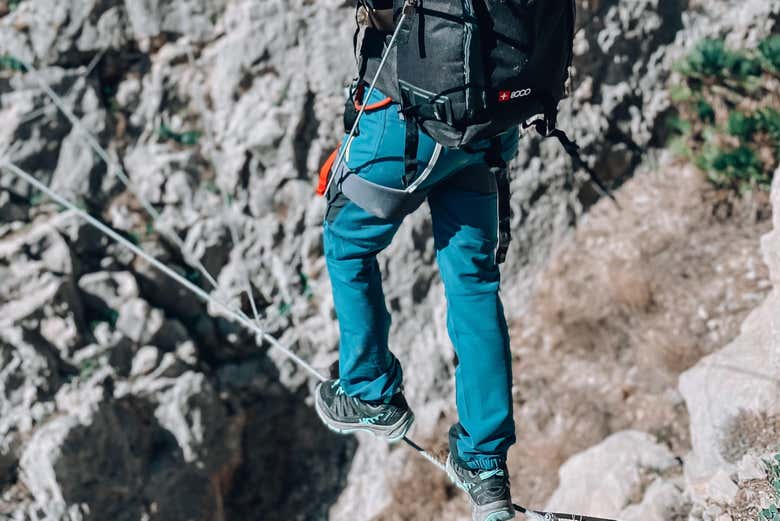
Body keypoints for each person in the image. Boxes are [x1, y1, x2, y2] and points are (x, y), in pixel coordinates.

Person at [313, 17, 519, 518]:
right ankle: (486, 464)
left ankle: (368, 391)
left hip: (413, 121)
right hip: (490, 121)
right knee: (473, 283)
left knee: (347, 242)